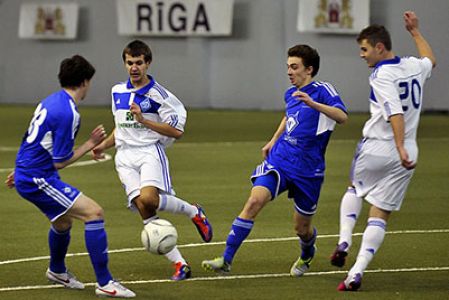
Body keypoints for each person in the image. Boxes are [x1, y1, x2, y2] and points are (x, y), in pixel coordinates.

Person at [202, 44, 348, 276]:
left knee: (301, 228)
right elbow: (289, 116)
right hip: (281, 160)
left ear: (308, 69)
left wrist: (313, 104)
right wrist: (273, 140)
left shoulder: (322, 90)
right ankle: (226, 259)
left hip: (308, 170)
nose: (289, 72)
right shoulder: (290, 94)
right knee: (254, 201)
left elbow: (342, 117)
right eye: (288, 67)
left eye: (294, 67)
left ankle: (307, 252)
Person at [4, 55, 136, 298]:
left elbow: (32, 140)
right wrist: (90, 144)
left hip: (31, 174)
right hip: (38, 178)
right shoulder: (68, 112)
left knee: (63, 222)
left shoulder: (49, 101)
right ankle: (106, 283)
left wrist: (20, 169)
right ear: (85, 81)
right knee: (94, 213)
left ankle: (57, 271)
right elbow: (60, 161)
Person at [330, 11, 436, 291]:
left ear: (379, 47)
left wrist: (397, 145)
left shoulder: (381, 75)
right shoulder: (413, 66)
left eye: (364, 49)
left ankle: (344, 239)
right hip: (408, 154)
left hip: (380, 146)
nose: (361, 55)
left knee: (354, 189)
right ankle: (355, 273)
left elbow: (394, 112)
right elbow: (431, 60)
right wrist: (415, 32)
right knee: (380, 215)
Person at [91, 40, 213, 281]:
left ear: (147, 63)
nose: (134, 67)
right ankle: (180, 264)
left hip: (149, 151)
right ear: (125, 64)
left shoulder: (159, 95)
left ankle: (193, 212)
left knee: (149, 199)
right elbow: (121, 129)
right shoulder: (118, 91)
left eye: (139, 62)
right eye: (129, 63)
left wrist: (144, 120)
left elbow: (176, 131)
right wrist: (101, 146)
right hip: (124, 158)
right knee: (144, 208)